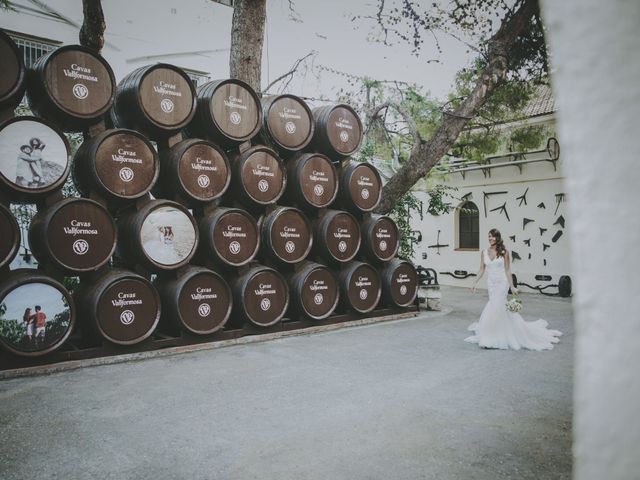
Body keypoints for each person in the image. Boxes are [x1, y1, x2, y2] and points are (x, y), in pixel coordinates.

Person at [465, 228, 562, 350]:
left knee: (496, 306)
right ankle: (497, 332)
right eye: (489, 236)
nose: (491, 238)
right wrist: (474, 282)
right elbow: (481, 269)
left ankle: (493, 337)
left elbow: (507, 270)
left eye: (493, 236)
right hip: (491, 283)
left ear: (498, 238)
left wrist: (512, 286)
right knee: (497, 306)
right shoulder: (484, 252)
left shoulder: (504, 252)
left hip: (502, 283)